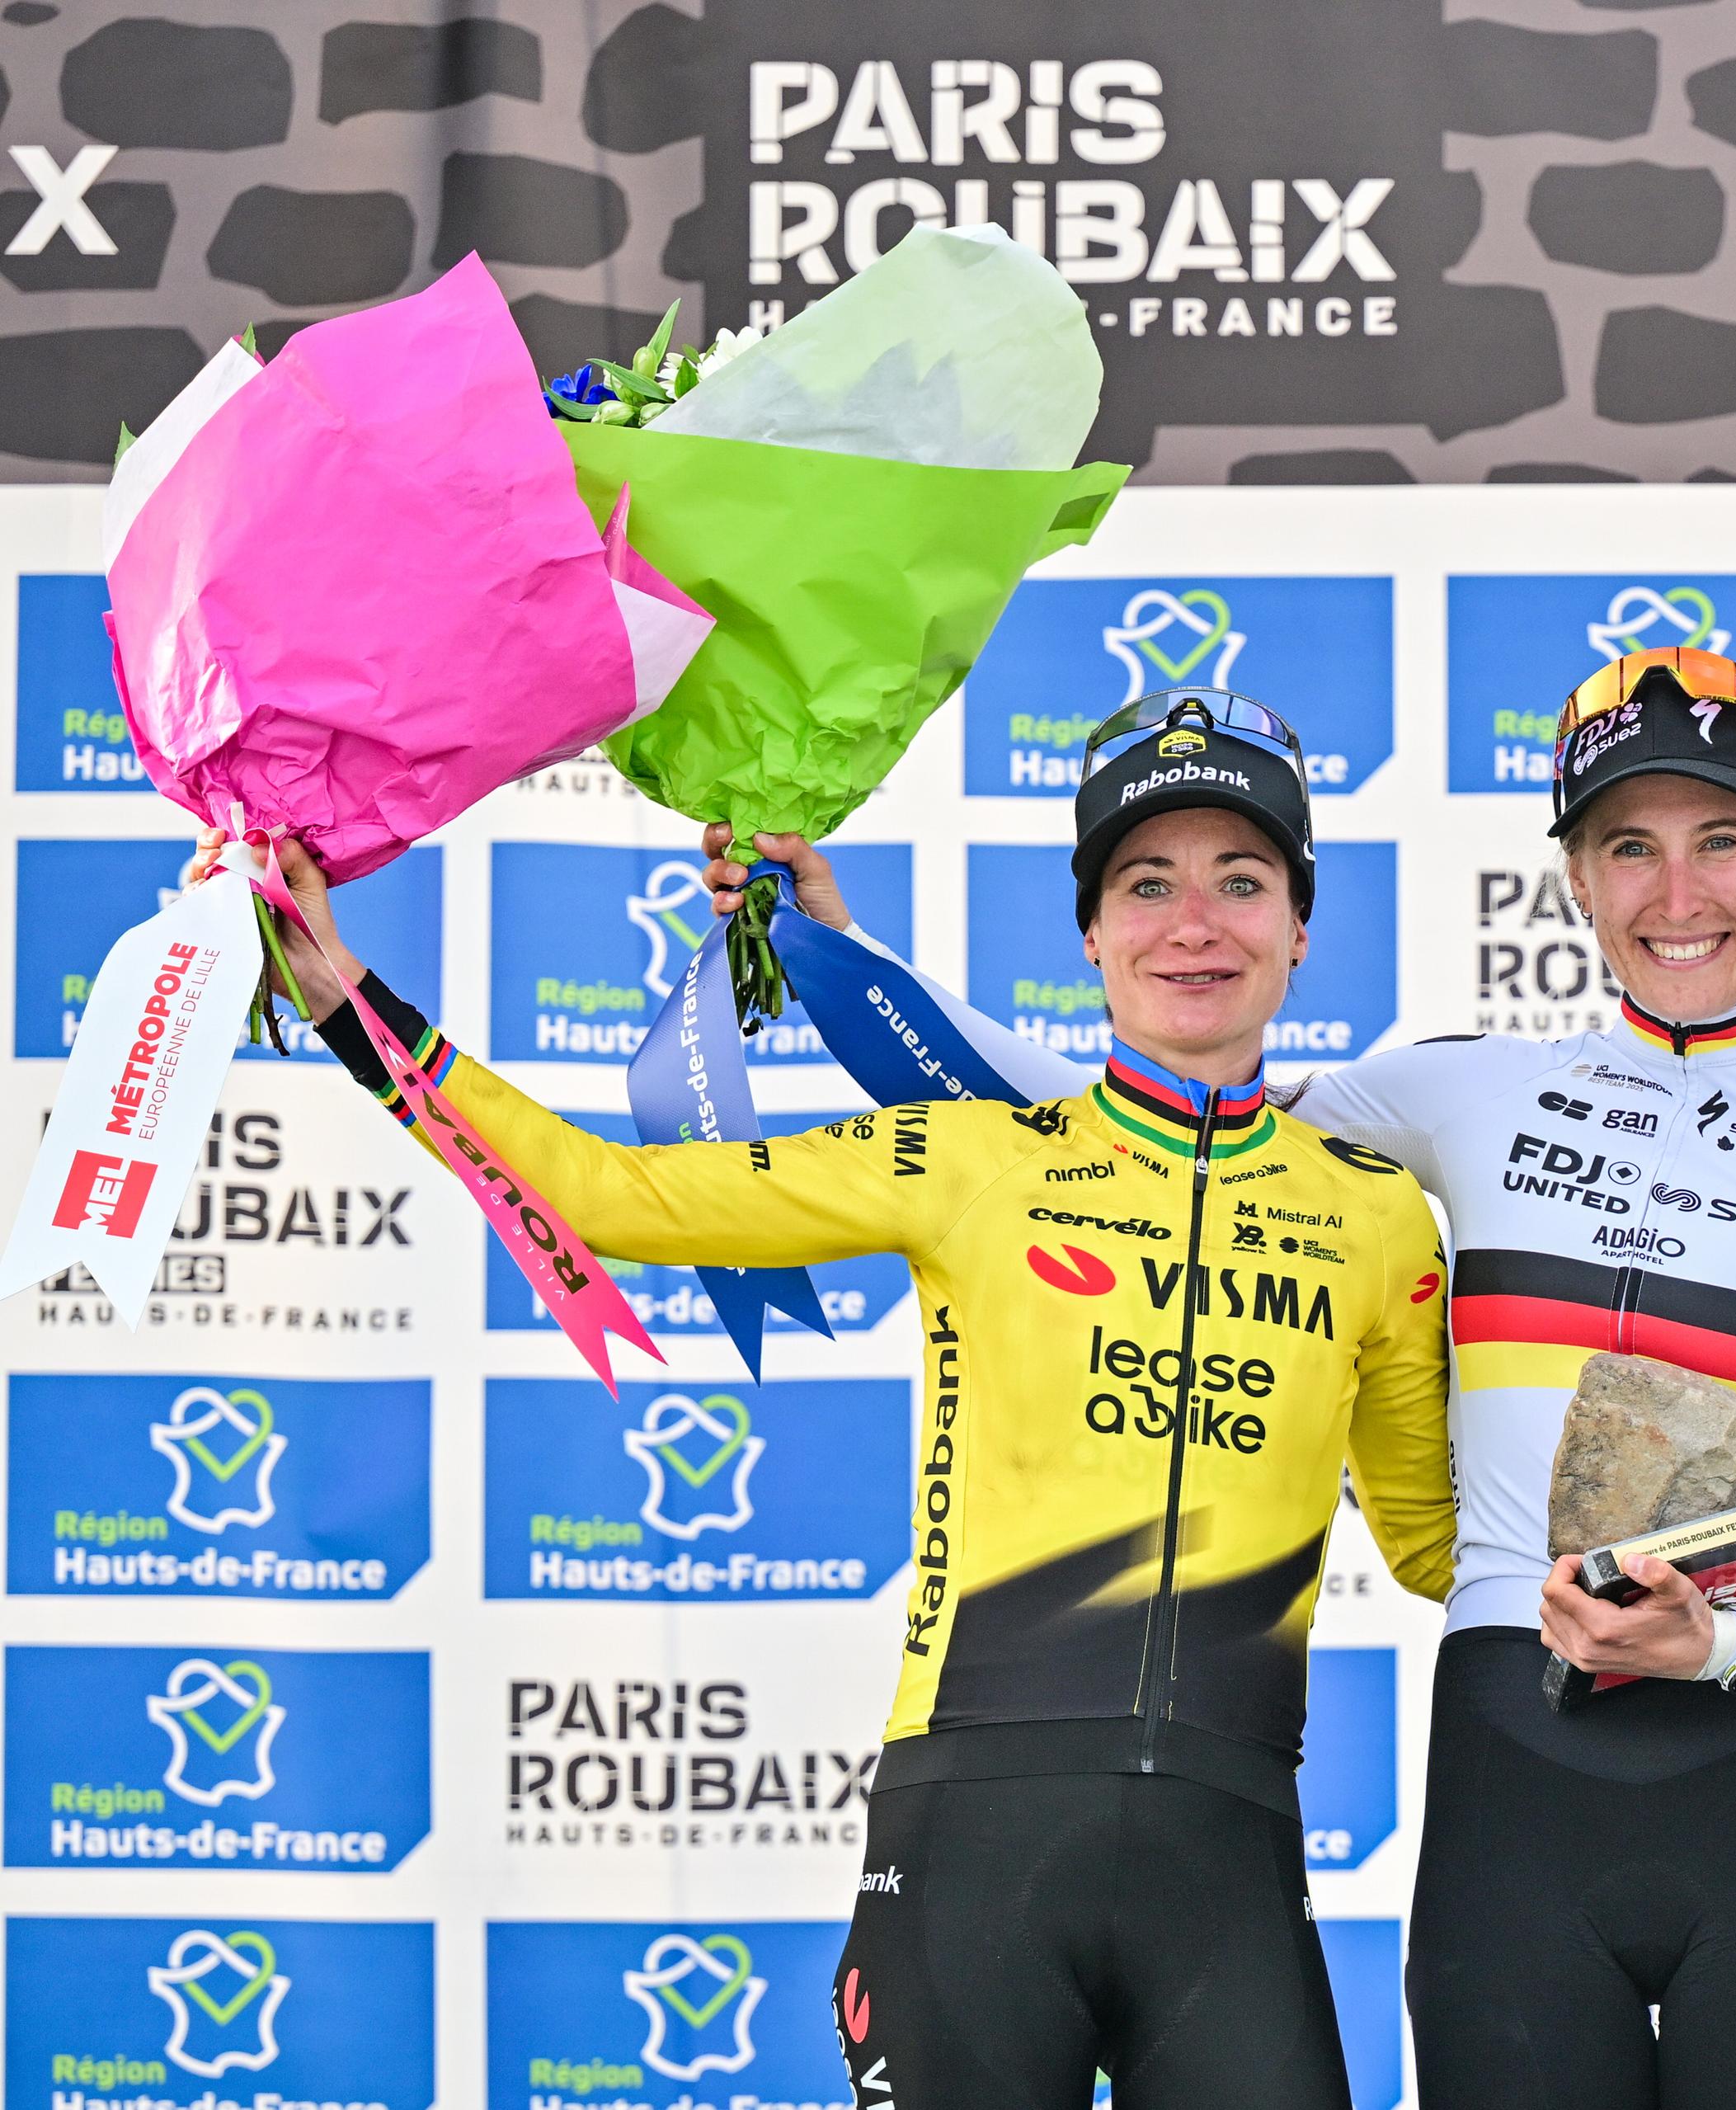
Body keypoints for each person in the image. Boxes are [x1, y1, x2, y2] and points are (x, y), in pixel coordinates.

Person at [709, 649, 1736, 2109]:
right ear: (1574, 877)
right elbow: (1140, 1127)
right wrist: (841, 964)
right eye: (1629, 846)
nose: (1678, 892)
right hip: (1522, 1791)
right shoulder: (1462, 1093)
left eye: (1723, 839)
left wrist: (1727, 1646)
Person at [214, 690, 1456, 2110]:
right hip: (972, 1837)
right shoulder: (970, 1155)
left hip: (1233, 1851)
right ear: (1091, 933)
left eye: (1243, 882)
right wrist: (344, 1004)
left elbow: (1434, 1546)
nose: (1196, 923)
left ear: (1299, 929)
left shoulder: (1376, 1219)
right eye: (1146, 883)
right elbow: (613, 1195)